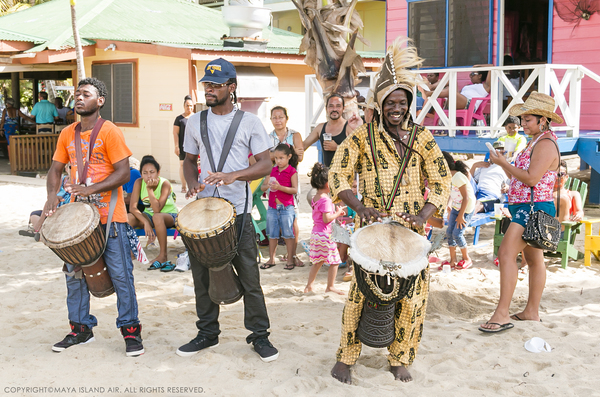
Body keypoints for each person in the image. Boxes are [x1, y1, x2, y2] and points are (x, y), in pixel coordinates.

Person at [328, 37, 451, 384]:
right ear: (381, 106)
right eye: (390, 103)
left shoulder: (423, 138)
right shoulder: (362, 137)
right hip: (372, 233)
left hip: (412, 234)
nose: (396, 108)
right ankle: (347, 358)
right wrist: (359, 206)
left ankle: (399, 359)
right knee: (358, 296)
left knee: (412, 301)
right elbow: (338, 173)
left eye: (402, 102)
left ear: (409, 105)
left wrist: (424, 216)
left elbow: (443, 182)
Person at [178, 57, 278, 362]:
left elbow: (266, 162)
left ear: (231, 88)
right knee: (202, 277)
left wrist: (234, 175)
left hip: (238, 210)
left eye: (215, 85)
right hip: (204, 211)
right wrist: (193, 181)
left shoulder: (249, 122)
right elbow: (187, 160)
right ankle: (207, 333)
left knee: (250, 277)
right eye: (206, 84)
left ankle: (259, 336)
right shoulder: (194, 121)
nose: (208, 90)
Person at [44, 77, 144, 356]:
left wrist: (91, 188)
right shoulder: (67, 134)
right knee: (74, 276)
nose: (78, 98)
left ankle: (131, 332)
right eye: (77, 94)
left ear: (100, 101)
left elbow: (123, 173)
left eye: (85, 94)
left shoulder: (109, 131)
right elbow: (55, 169)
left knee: (122, 276)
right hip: (77, 218)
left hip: (110, 216)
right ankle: (80, 329)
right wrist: (52, 196)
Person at [479, 91, 562, 333]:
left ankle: (502, 313)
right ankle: (531, 312)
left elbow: (532, 178)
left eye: (527, 120)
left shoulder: (546, 143)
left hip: (532, 209)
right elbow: (522, 178)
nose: (522, 124)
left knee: (506, 254)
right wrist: (503, 165)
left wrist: (505, 164)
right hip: (529, 206)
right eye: (522, 119)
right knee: (535, 260)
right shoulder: (535, 141)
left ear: (542, 120)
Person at [127, 155, 178, 271]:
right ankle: (131, 252)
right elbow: (132, 208)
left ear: (158, 172)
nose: (148, 176)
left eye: (152, 172)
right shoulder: (139, 183)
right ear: (141, 174)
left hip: (169, 215)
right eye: (145, 173)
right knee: (128, 218)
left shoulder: (165, 184)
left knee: (157, 217)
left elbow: (157, 210)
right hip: (150, 216)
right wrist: (145, 222)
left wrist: (150, 189)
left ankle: (163, 255)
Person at [268, 106, 304, 267]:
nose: (277, 120)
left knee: (293, 219)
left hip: (291, 180)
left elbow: (300, 157)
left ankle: (293, 255)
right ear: (271, 120)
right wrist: (288, 151)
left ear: (286, 118)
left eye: (280, 117)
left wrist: (274, 155)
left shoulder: (295, 135)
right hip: (274, 182)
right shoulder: (267, 137)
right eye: (274, 117)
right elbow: (265, 157)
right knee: (276, 219)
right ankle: (277, 256)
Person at [304, 162, 346, 295]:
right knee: (335, 262)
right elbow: (326, 219)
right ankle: (330, 286)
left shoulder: (315, 197)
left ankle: (309, 286)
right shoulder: (326, 200)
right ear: (328, 184)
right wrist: (338, 213)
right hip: (325, 235)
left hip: (316, 234)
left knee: (318, 261)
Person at [260, 143, 299, 270]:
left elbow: (294, 190)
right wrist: (269, 186)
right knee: (272, 234)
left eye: (281, 158)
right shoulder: (272, 170)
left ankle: (290, 259)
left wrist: (280, 187)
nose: (278, 161)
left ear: (289, 157)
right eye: (276, 158)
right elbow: (262, 187)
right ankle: (272, 259)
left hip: (287, 207)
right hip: (272, 207)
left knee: (288, 234)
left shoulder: (292, 171)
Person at [442, 152, 476, 270]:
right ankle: (453, 260)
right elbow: (452, 193)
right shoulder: (448, 177)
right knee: (449, 232)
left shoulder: (458, 176)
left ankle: (467, 258)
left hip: (466, 209)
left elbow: (466, 197)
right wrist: (448, 206)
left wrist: (461, 216)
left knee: (457, 234)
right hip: (457, 207)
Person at [302, 93, 349, 168]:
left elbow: (358, 152)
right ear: (326, 108)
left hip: (345, 176)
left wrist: (337, 147)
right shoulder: (320, 128)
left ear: (343, 108)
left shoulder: (349, 127)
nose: (334, 109)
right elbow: (303, 145)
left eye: (338, 106)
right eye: (331, 106)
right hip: (328, 176)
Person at [422, 65, 491, 111]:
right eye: (470, 74)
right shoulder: (468, 86)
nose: (470, 76)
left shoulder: (485, 86)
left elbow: (492, 67)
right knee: (451, 80)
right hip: (458, 101)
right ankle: (431, 87)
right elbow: (458, 94)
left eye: (473, 74)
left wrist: (479, 66)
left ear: (480, 76)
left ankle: (428, 93)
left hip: (469, 105)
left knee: (451, 92)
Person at [470, 141, 510, 214]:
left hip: (492, 196)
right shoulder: (483, 167)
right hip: (477, 193)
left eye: (501, 152)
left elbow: (512, 184)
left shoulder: (506, 168)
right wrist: (474, 166)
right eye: (496, 151)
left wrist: (507, 187)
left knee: (477, 204)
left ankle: (467, 216)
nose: (498, 154)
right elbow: (469, 181)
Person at [173, 95, 195, 193]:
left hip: (194, 145)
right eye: (187, 105)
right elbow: (175, 133)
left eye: (190, 106)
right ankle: (183, 186)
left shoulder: (196, 117)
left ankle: (193, 185)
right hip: (182, 145)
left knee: (194, 165)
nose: (189, 108)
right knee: (182, 164)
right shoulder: (179, 119)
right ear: (184, 106)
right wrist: (176, 146)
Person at [554, 160, 584, 228]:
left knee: (563, 199)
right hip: (543, 231)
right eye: (553, 174)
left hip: (562, 231)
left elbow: (579, 211)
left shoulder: (573, 194)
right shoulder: (543, 194)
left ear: (566, 177)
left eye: (560, 174)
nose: (556, 177)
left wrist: (579, 215)